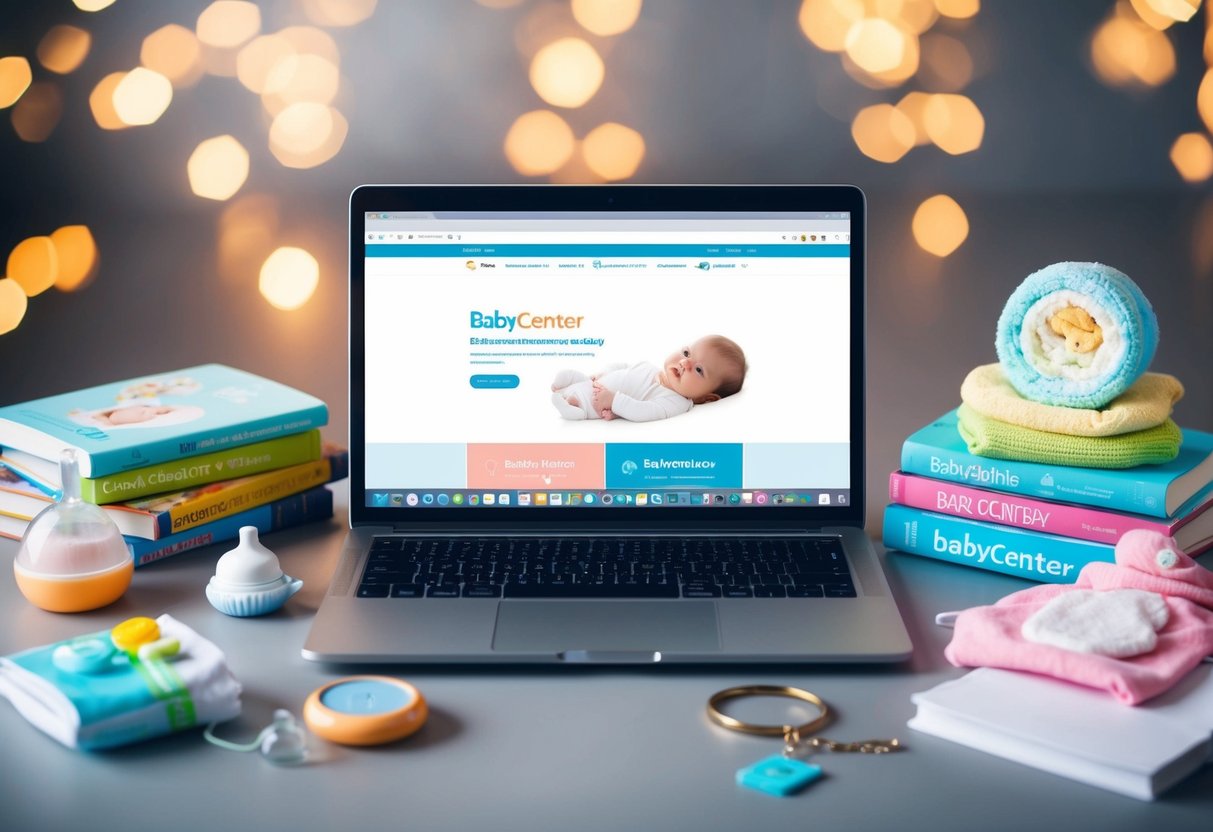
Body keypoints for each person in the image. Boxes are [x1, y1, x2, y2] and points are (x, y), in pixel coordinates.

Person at [551, 335, 746, 422]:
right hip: (593, 383)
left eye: (698, 370)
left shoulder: (676, 401)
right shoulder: (650, 367)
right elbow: (623, 367)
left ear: (708, 397)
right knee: (574, 377)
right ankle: (567, 383)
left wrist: (614, 401)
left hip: (595, 402)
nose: (685, 363)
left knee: (578, 404)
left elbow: (644, 411)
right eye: (687, 352)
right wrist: (603, 373)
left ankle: (570, 405)